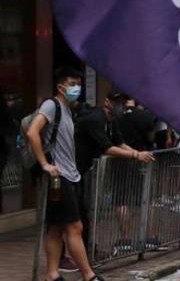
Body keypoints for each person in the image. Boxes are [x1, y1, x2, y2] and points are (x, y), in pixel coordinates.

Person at [26, 68, 107, 281]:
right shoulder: (51, 105)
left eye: (78, 84)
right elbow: (32, 132)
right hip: (59, 176)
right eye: (72, 83)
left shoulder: (67, 109)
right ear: (60, 86)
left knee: (56, 227)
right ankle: (89, 275)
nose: (76, 88)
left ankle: (52, 275)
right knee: (75, 226)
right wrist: (45, 164)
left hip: (69, 176)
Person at [74, 90, 155, 263]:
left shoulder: (112, 120)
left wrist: (137, 152)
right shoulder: (95, 119)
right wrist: (135, 155)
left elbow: (119, 142)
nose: (121, 105)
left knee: (85, 213)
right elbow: (107, 148)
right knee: (78, 215)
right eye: (117, 101)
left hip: (86, 170)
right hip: (75, 170)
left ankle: (89, 251)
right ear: (107, 102)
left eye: (124, 101)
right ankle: (80, 254)